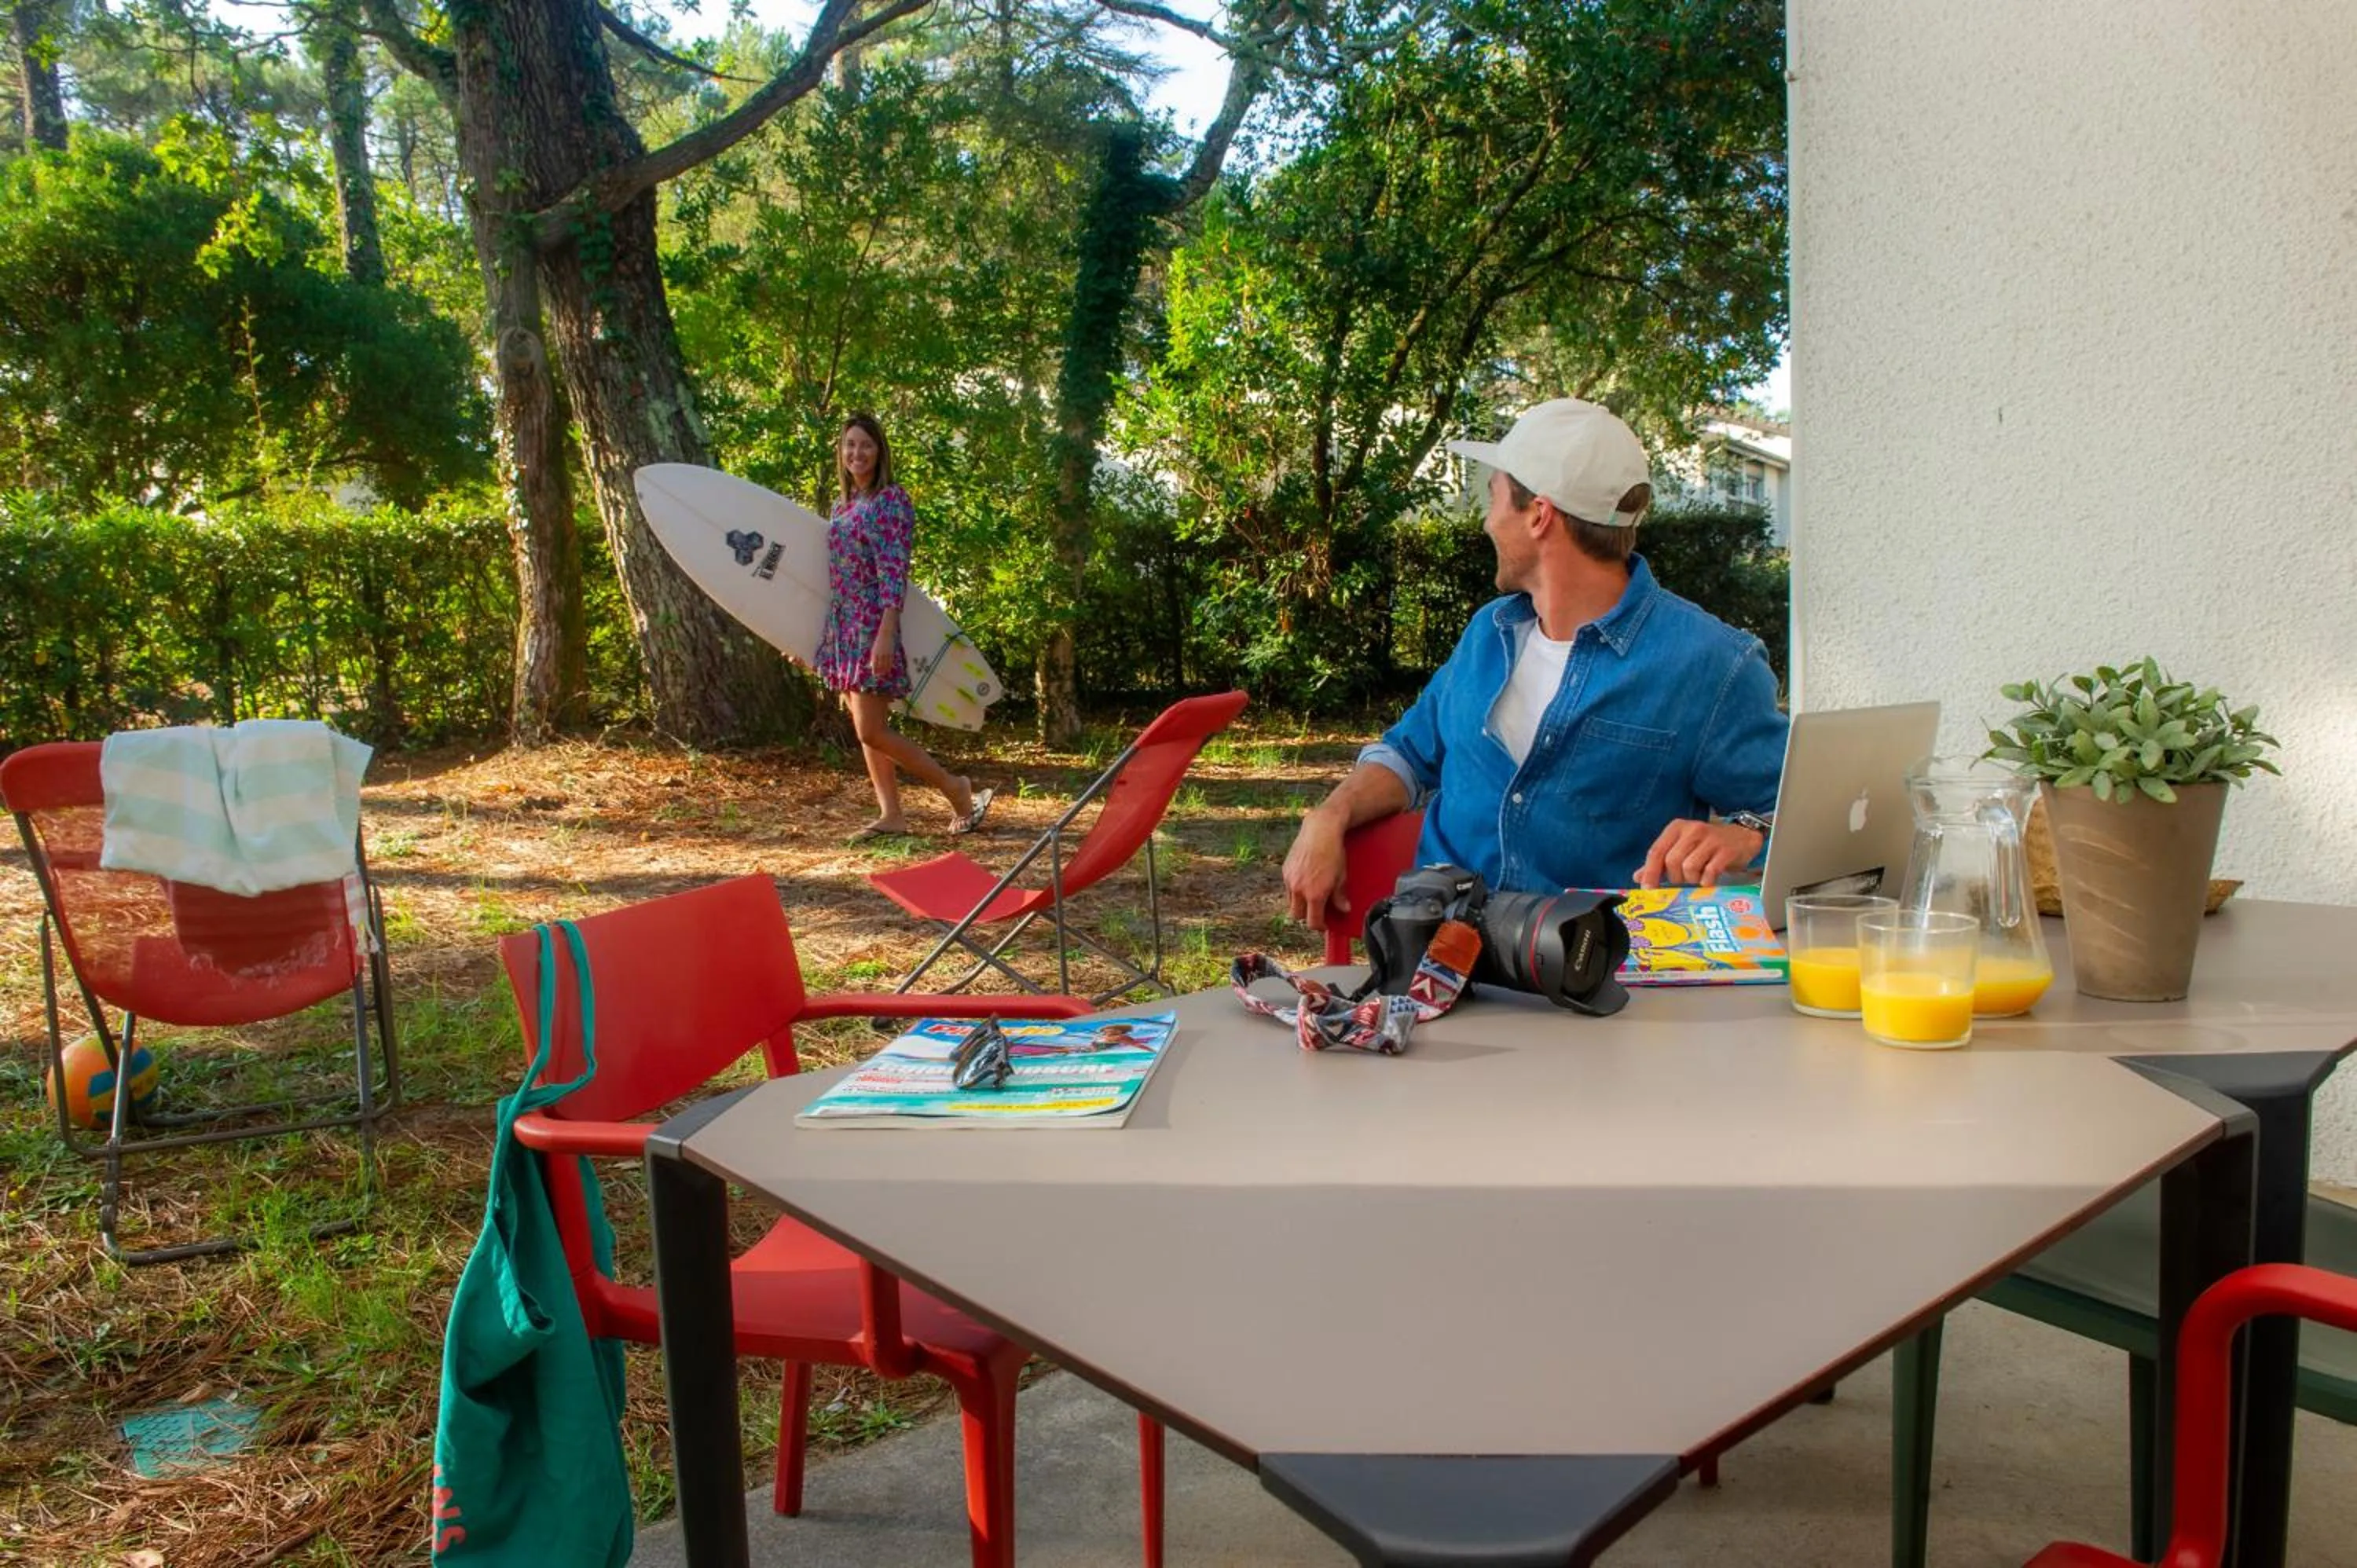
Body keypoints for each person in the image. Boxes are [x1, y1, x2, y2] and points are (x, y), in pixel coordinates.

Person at [1281, 397, 1787, 929]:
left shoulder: (1712, 665)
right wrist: (1329, 816)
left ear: (1539, 515)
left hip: (1599, 985)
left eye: (1494, 497)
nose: (1486, 521)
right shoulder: (1487, 634)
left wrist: (1746, 833)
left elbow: (1797, 823)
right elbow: (1407, 755)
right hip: (1441, 970)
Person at [818, 412, 995, 842]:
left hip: (872, 623)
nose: (856, 453)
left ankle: (956, 789)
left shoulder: (891, 500)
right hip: (843, 626)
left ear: (880, 452)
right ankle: (891, 814)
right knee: (866, 726)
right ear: (841, 453)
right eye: (850, 445)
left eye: (866, 445)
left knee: (870, 729)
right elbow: (832, 575)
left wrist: (885, 630)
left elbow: (894, 569)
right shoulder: (842, 507)